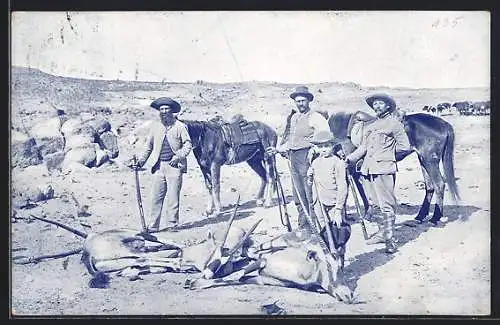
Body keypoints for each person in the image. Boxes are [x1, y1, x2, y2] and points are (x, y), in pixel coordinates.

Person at [344, 93, 411, 254]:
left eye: (381, 103)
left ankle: (389, 239)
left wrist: (386, 156)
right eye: (375, 104)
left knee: (387, 205)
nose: (377, 106)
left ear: (388, 106)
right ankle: (382, 233)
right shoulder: (371, 126)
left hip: (384, 169)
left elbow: (405, 146)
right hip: (367, 169)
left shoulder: (394, 124)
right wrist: (349, 159)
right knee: (375, 203)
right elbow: (363, 148)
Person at [268, 86, 330, 233]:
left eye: (303, 101)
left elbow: (326, 137)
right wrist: (278, 150)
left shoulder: (315, 117)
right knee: (298, 193)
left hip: (307, 157)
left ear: (308, 100)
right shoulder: (294, 118)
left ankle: (314, 225)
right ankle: (303, 225)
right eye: (297, 101)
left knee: (310, 193)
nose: (300, 104)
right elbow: (291, 140)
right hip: (294, 158)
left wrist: (314, 150)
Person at [127, 97, 192, 232]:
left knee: (173, 198)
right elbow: (148, 147)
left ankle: (172, 225)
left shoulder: (180, 127)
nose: (164, 112)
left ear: (172, 111)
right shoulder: (155, 126)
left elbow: (187, 145)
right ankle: (153, 225)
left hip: (174, 167)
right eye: (161, 109)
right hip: (158, 167)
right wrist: (140, 162)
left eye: (166, 109)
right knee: (156, 197)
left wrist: (179, 156)